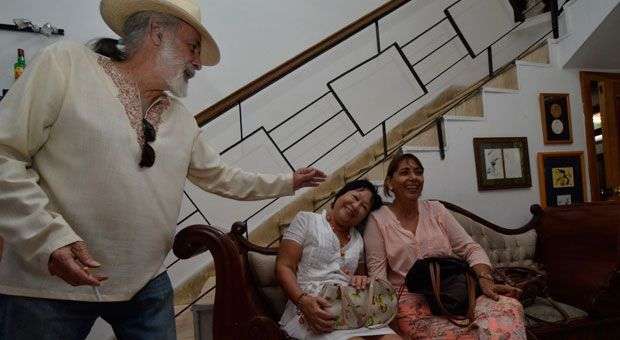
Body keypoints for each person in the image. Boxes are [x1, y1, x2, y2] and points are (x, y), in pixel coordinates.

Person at [0, 0, 326, 339]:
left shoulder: (182, 119)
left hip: (146, 285)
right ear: (157, 33)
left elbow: (221, 177)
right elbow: (4, 154)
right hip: (46, 287)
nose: (198, 63)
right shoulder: (65, 63)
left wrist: (288, 182)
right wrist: (48, 240)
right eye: (193, 47)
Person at [364, 153, 526, 339]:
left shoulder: (436, 210)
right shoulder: (377, 220)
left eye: (418, 172)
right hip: (411, 301)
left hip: (454, 293)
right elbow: (378, 278)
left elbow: (471, 248)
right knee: (461, 336)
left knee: (509, 309)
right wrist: (389, 324)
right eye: (404, 172)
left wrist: (484, 279)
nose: (413, 178)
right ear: (390, 183)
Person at [276, 179, 401, 340]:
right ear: (340, 195)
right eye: (355, 197)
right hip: (311, 309)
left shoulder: (359, 241)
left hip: (352, 313)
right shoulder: (306, 220)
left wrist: (359, 279)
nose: (356, 206)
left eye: (364, 207)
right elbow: (284, 266)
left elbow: (357, 280)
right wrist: (303, 301)